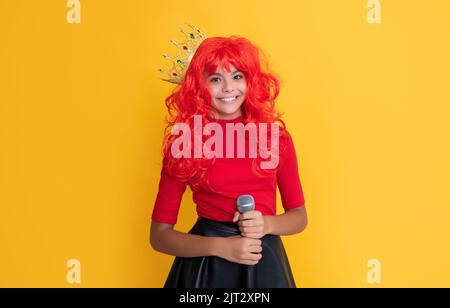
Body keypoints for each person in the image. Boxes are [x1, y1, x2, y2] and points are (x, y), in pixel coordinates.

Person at [150, 34, 308, 288]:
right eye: (215, 79)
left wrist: (266, 223)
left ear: (250, 81)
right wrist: (221, 247)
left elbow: (299, 217)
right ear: (198, 86)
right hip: (207, 269)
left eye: (237, 77)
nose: (228, 88)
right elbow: (159, 237)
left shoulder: (276, 139)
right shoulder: (184, 143)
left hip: (262, 260)